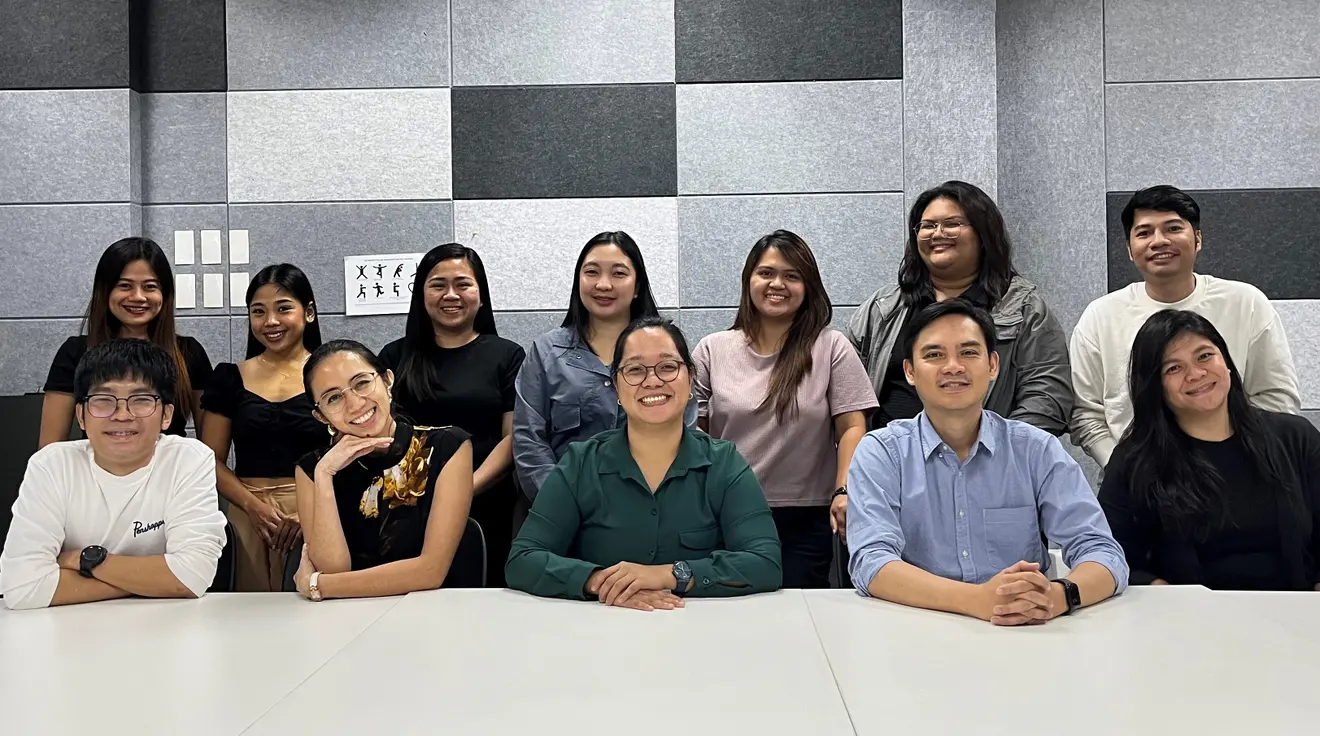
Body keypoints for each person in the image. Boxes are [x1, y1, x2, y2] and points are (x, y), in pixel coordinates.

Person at [847, 300, 1128, 625]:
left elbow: (1101, 551)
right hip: (917, 628)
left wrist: (1058, 596)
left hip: (1024, 632)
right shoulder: (881, 453)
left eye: (968, 352)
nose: (953, 366)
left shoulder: (1036, 450)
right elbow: (871, 562)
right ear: (910, 371)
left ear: (993, 364)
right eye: (934, 355)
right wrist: (978, 601)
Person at [507, 317, 782, 609]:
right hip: (599, 630)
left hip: (699, 630)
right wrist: (602, 582)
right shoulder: (580, 464)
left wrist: (668, 575)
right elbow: (524, 560)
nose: (652, 381)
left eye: (667, 367)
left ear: (690, 379)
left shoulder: (724, 463)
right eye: (635, 370)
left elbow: (764, 562)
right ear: (616, 388)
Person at [693, 231, 875, 589]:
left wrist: (844, 491)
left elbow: (853, 426)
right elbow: (691, 433)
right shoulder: (712, 349)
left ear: (808, 286)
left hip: (806, 518)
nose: (778, 284)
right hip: (724, 512)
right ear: (749, 281)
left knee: (800, 620)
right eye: (766, 273)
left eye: (792, 276)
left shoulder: (830, 346)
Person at [1071, 185, 1300, 467]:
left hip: (1239, 473)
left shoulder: (1246, 303)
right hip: (1138, 484)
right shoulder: (1100, 316)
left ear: (1198, 239)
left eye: (1173, 228)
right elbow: (1086, 414)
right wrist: (1125, 470)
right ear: (1129, 250)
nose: (1159, 241)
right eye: (1144, 233)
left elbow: (1277, 399)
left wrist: (1233, 462)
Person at [1099, 310, 1320, 591]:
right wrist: (1155, 588)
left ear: (1226, 361)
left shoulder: (1296, 438)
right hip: (1190, 622)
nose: (1196, 374)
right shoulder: (1134, 460)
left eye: (1204, 356)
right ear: (1156, 387)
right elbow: (1107, 551)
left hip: (1296, 614)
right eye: (1173, 368)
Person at [1, 339, 226, 610]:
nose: (122, 415)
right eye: (103, 400)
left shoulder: (189, 460)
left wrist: (84, 561)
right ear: (81, 416)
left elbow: (193, 575)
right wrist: (152, 582)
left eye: (141, 400)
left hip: (167, 628)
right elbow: (21, 587)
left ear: (167, 415)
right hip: (73, 632)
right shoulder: (51, 465)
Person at [846, 181, 1071, 435]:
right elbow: (847, 391)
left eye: (952, 224)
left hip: (989, 465)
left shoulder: (1024, 308)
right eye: (928, 226)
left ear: (984, 235)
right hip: (891, 462)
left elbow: (1048, 397)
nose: (937, 233)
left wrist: (996, 451)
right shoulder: (883, 307)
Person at [379, 243, 526, 587]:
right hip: (408, 508)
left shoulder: (507, 355)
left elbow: (512, 437)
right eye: (437, 285)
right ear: (421, 294)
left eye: (463, 284)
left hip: (487, 504)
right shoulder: (394, 356)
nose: (451, 295)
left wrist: (460, 492)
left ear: (481, 293)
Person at [513, 231, 694, 501]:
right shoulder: (546, 352)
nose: (604, 285)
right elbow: (529, 441)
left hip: (655, 506)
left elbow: (686, 429)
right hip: (566, 511)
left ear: (637, 287)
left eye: (619, 274)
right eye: (592, 272)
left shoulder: (666, 348)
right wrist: (561, 506)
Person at [292, 340, 474, 600]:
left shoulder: (446, 447)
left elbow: (431, 571)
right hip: (344, 618)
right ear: (322, 416)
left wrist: (319, 586)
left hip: (433, 612)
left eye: (362, 383)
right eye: (333, 398)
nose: (354, 404)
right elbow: (332, 568)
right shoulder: (313, 468)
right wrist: (324, 475)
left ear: (387, 380)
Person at [200, 264, 325, 592]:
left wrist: (313, 511)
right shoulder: (228, 377)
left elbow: (348, 453)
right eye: (259, 311)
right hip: (247, 513)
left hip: (317, 512)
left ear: (308, 312)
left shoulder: (329, 374)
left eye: (283, 308)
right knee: (248, 617)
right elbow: (208, 460)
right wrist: (253, 507)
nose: (271, 321)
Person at [40, 237, 213, 447]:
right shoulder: (75, 352)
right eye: (125, 285)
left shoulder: (188, 353)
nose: (138, 297)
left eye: (150, 286)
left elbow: (210, 449)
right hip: (96, 475)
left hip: (171, 475)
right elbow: (49, 448)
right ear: (105, 292)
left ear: (165, 294)